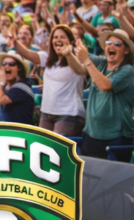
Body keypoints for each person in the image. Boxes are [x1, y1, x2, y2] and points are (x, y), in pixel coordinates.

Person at [74, 30, 134, 160]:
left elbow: (105, 85)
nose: (111, 46)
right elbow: (81, 56)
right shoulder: (102, 62)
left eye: (117, 43)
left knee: (114, 180)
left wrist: (87, 61)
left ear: (126, 50)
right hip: (91, 135)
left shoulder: (127, 70)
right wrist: (76, 47)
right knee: (89, 178)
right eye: (109, 42)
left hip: (115, 139)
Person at [26, 25, 86, 137]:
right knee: (42, 147)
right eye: (55, 37)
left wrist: (68, 54)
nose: (58, 40)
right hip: (46, 112)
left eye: (62, 37)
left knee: (56, 150)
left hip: (69, 114)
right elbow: (27, 54)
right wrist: (15, 42)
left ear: (71, 41)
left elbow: (80, 70)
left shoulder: (80, 58)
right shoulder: (47, 58)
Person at [0, 52, 36, 125]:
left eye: (11, 64)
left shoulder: (21, 87)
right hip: (8, 132)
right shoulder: (6, 87)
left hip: (22, 134)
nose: (7, 66)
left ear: (19, 68)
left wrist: (1, 82)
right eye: (4, 64)